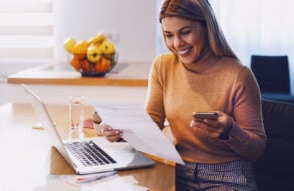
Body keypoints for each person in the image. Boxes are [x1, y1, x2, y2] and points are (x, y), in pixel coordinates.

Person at [100, 0, 266, 190]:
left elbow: (257, 149)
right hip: (177, 169)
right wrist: (122, 132)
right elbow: (152, 123)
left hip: (228, 176)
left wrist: (230, 131)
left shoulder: (238, 75)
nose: (177, 43)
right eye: (168, 35)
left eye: (185, 32)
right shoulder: (163, 66)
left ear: (206, 27)